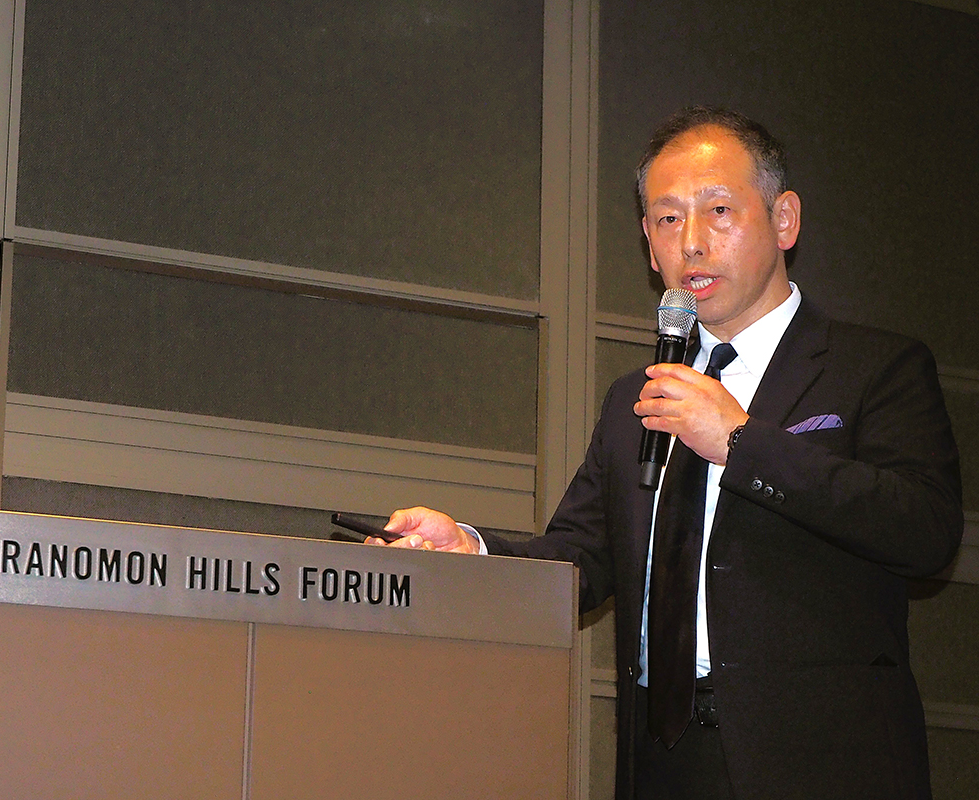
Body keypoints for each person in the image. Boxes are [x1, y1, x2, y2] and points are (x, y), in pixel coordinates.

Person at [367, 107, 963, 800]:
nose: (693, 243)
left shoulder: (875, 368)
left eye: (719, 210)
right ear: (650, 248)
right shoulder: (637, 396)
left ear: (784, 220)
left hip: (822, 763)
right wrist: (471, 554)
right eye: (668, 219)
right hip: (662, 760)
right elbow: (580, 560)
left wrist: (741, 442)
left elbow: (925, 534)